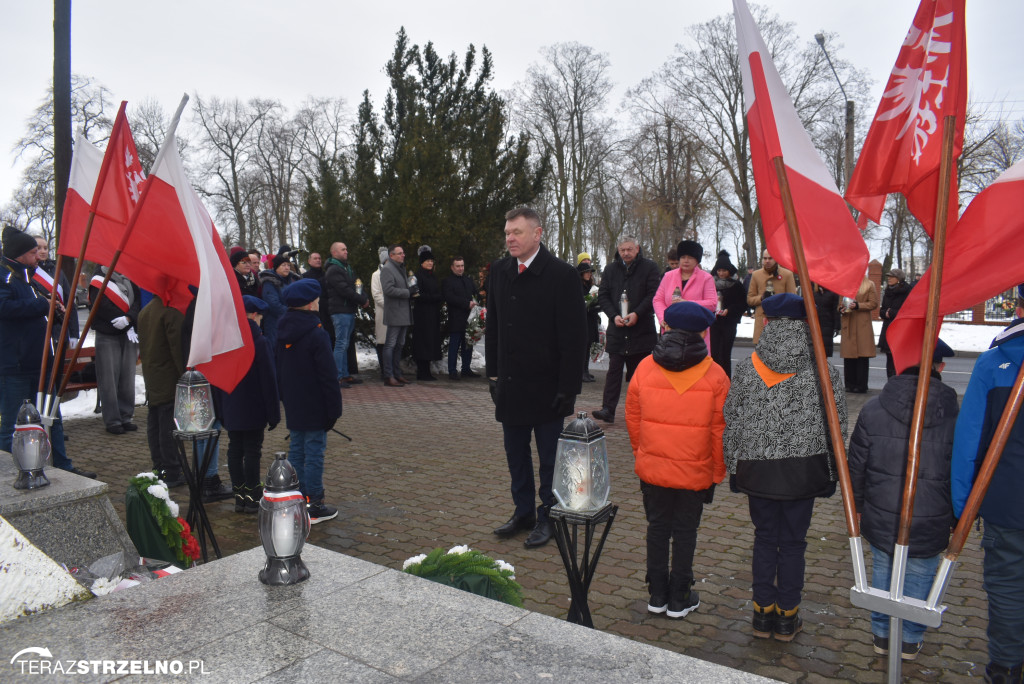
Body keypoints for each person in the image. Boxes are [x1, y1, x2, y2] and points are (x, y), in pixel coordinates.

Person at [723, 293, 846, 641]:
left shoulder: (748, 367)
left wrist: (734, 465)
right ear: (806, 324)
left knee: (765, 538)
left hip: (757, 470)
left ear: (770, 323)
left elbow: (731, 419)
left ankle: (762, 614)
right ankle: (788, 616)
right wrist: (834, 471)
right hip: (803, 473)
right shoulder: (823, 369)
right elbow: (838, 425)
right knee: (793, 543)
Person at [848, 339, 957, 661]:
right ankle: (910, 637)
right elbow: (963, 465)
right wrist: (959, 513)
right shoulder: (955, 411)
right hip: (933, 511)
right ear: (940, 367)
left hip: (882, 510)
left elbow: (857, 465)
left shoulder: (873, 408)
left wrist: (857, 505)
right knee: (922, 570)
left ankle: (882, 633)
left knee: (883, 567)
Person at [486, 206, 585, 549]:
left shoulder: (561, 274)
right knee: (515, 455)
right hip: (511, 386)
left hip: (548, 387)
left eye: (517, 232)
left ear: (537, 233)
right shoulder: (499, 271)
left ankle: (550, 516)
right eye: (507, 233)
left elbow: (575, 338)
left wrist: (568, 388)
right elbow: (494, 326)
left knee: (550, 460)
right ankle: (523, 511)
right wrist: (494, 375)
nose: (510, 238)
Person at [626, 302, 729, 619]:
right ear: (703, 332)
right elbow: (719, 432)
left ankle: (656, 593)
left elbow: (633, 418)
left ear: (665, 327)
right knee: (685, 533)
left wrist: (642, 454)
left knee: (657, 528)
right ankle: (680, 596)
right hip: (694, 473)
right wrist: (716, 472)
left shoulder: (645, 367)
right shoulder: (715, 375)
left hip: (653, 470)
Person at [951, 286, 1024, 684]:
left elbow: (969, 442)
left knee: (1009, 587)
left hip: (1007, 501)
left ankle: (1006, 668)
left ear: (1017, 307)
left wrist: (962, 508)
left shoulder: (994, 362)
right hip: (1007, 504)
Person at [0, 227, 95, 479]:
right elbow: (5, 307)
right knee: (12, 423)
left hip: (43, 363)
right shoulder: (5, 276)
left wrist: (55, 312)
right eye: (33, 252)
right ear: (20, 254)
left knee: (51, 417)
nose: (38, 256)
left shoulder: (32, 277)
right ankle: (8, 474)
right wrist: (42, 305)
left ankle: (62, 465)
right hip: (16, 365)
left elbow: (40, 309)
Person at [276, 279, 342, 524]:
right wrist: (334, 408)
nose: (318, 302)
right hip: (314, 403)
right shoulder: (317, 333)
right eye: (315, 299)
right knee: (314, 453)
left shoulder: (282, 330)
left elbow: (279, 368)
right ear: (308, 303)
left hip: (294, 402)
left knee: (297, 450)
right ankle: (314, 503)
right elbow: (328, 375)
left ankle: (296, 498)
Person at [217, 296, 280, 514]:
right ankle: (252, 495)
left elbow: (217, 377)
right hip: (254, 407)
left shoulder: (224, 340)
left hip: (231, 406)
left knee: (235, 449)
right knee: (252, 450)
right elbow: (269, 380)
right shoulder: (259, 341)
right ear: (254, 315)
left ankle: (240, 496)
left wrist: (220, 409)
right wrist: (274, 413)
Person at [591, 236, 660, 424]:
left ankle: (644, 410)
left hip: (641, 329)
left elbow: (653, 294)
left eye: (629, 249)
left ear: (637, 249)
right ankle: (608, 409)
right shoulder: (611, 269)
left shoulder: (650, 268)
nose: (626, 253)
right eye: (623, 250)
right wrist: (613, 315)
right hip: (618, 329)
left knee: (641, 374)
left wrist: (637, 313)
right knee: (613, 371)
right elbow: (603, 295)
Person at [137, 292, 187, 488]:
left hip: (153, 374)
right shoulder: (169, 312)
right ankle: (172, 469)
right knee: (167, 425)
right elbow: (177, 348)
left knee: (156, 421)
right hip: (168, 376)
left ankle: (160, 465)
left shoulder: (146, 311)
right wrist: (186, 374)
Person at [88, 266, 141, 435]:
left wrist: (129, 318)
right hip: (108, 333)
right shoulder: (99, 279)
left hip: (129, 332)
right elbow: (100, 305)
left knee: (127, 377)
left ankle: (126, 416)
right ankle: (112, 420)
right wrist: (122, 319)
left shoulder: (130, 276)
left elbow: (137, 302)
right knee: (109, 378)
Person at [653, 240, 717, 350]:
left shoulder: (706, 278)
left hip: (696, 333)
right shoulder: (668, 276)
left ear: (697, 260)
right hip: (671, 331)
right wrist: (663, 318)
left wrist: (687, 303)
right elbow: (658, 300)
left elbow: (712, 304)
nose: (686, 261)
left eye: (690, 257)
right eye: (683, 257)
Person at [324, 242, 368, 388]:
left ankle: (345, 374)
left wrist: (364, 297)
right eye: (343, 250)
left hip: (348, 310)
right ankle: (338, 376)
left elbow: (357, 286)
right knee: (341, 343)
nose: (346, 252)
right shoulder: (333, 270)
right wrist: (362, 300)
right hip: (340, 311)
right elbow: (344, 290)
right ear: (334, 253)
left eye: (346, 249)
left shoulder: (346, 268)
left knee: (345, 344)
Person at [380, 244, 416, 387]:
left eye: (403, 253)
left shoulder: (400, 268)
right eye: (400, 253)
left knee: (399, 345)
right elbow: (388, 290)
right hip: (395, 312)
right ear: (391, 255)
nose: (403, 255)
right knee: (390, 345)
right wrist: (408, 293)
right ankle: (388, 376)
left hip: (403, 312)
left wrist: (412, 290)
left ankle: (397, 373)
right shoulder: (388, 269)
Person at [747, 250, 797, 344]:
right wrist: (761, 298)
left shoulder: (787, 274)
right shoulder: (756, 275)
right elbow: (750, 299)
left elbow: (793, 300)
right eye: (765, 258)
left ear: (776, 259)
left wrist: (779, 301)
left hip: (781, 321)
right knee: (761, 356)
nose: (767, 261)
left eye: (770, 258)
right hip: (762, 322)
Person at [442, 255, 479, 380]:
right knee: (454, 346)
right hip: (456, 319)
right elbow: (449, 297)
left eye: (462, 266)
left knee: (468, 345)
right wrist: (466, 303)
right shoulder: (448, 281)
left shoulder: (468, 280)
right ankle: (452, 371)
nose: (460, 268)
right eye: (457, 266)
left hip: (470, 319)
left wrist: (477, 301)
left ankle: (466, 369)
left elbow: (475, 293)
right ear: (452, 267)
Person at [710, 250, 746, 377]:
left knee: (725, 354)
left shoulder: (737, 285)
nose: (721, 273)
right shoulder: (710, 284)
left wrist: (730, 310)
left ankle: (726, 381)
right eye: (719, 270)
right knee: (714, 355)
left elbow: (743, 304)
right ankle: (714, 381)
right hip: (713, 323)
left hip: (729, 324)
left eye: (724, 270)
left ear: (729, 271)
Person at [840, 275, 879, 394]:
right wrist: (841, 309)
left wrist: (858, 305)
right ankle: (849, 383)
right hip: (849, 322)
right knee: (849, 356)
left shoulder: (869, 284)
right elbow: (840, 303)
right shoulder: (844, 285)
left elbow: (873, 303)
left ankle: (861, 385)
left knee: (862, 356)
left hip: (862, 324)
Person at [412, 246, 443, 381]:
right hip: (422, 314)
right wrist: (433, 298)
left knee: (430, 341)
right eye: (427, 261)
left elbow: (437, 292)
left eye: (431, 260)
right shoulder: (417, 276)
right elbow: (416, 294)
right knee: (422, 341)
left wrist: (437, 298)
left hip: (433, 313)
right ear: (421, 262)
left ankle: (427, 370)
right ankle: (422, 371)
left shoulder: (433, 276)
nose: (430, 263)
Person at [879, 269, 913, 378]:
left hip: (900, 329)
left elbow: (910, 310)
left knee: (899, 359)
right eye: (888, 276)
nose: (888, 278)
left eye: (891, 276)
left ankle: (900, 383)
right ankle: (891, 383)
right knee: (889, 358)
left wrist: (892, 313)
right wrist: (885, 313)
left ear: (898, 279)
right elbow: (882, 310)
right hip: (888, 328)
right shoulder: (888, 291)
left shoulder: (907, 291)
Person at [258, 255, 291, 351]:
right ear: (276, 267)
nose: (287, 267)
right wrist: (291, 313)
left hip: (287, 322)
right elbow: (273, 304)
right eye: (283, 265)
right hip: (275, 323)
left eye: (288, 265)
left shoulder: (289, 280)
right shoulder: (269, 282)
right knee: (276, 350)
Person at [303, 251, 335, 348]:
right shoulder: (305, 277)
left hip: (329, 310)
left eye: (319, 258)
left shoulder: (327, 274)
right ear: (309, 261)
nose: (318, 260)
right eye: (315, 258)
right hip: (315, 312)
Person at [579, 262, 600, 383]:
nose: (589, 274)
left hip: (591, 319)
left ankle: (585, 370)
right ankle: (581, 372)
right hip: (583, 320)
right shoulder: (578, 285)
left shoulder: (591, 285)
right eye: (586, 272)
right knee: (583, 346)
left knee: (588, 346)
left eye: (590, 272)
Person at [370, 246, 388, 376]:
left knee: (393, 342)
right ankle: (384, 370)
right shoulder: (376, 275)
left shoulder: (395, 273)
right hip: (383, 312)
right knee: (383, 341)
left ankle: (392, 369)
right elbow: (376, 295)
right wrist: (390, 305)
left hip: (395, 314)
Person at [812, 284, 842, 359]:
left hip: (827, 325)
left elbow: (835, 311)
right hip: (815, 324)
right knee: (814, 351)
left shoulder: (833, 294)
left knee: (824, 351)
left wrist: (837, 327)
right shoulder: (814, 293)